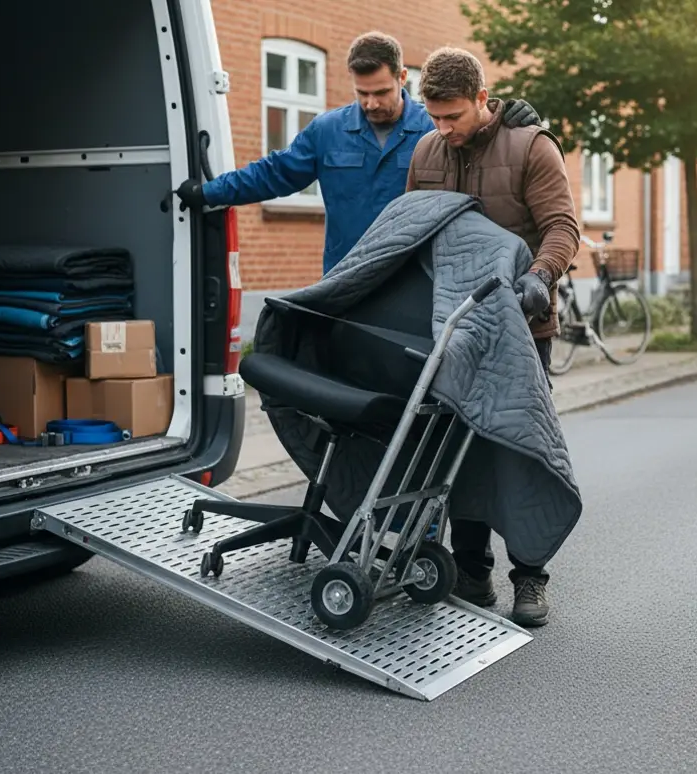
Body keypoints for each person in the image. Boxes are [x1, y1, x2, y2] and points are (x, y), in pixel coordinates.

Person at [405, 46, 580, 628]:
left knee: (521, 450)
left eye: (453, 116)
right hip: (454, 331)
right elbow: (413, 231)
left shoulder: (531, 147)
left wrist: (541, 276)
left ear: (483, 98)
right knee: (461, 452)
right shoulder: (426, 151)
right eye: (434, 117)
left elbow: (561, 227)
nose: (443, 129)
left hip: (522, 328)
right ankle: (471, 572)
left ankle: (530, 577)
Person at [173, 32, 542, 275]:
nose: (371, 103)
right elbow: (273, 173)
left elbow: (484, 145)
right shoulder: (327, 131)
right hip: (345, 276)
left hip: (415, 278)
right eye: (362, 93)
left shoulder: (435, 128)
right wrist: (208, 192)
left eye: (380, 92)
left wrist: (509, 116)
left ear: (402, 78)